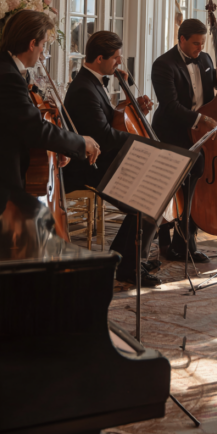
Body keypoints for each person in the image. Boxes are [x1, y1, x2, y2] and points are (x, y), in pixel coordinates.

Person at [0, 10, 100, 217]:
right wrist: (81, 142)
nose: (43, 53)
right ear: (32, 44)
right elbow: (34, 129)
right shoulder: (7, 77)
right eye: (43, 45)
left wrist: (57, 148)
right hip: (2, 182)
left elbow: (14, 125)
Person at [63, 30, 161, 287]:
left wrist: (129, 100)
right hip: (89, 168)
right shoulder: (84, 89)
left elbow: (110, 117)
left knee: (151, 194)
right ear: (99, 59)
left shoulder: (92, 81)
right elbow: (103, 136)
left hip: (104, 161)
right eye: (115, 58)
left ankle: (124, 260)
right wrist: (142, 143)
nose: (119, 62)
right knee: (147, 199)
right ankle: (128, 265)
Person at [151, 18, 217, 262]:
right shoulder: (163, 64)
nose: (200, 48)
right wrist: (201, 119)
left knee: (195, 187)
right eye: (195, 44)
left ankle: (186, 243)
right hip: (172, 131)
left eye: (203, 44)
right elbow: (170, 107)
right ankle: (165, 237)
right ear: (181, 40)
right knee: (171, 187)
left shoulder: (206, 59)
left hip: (202, 135)